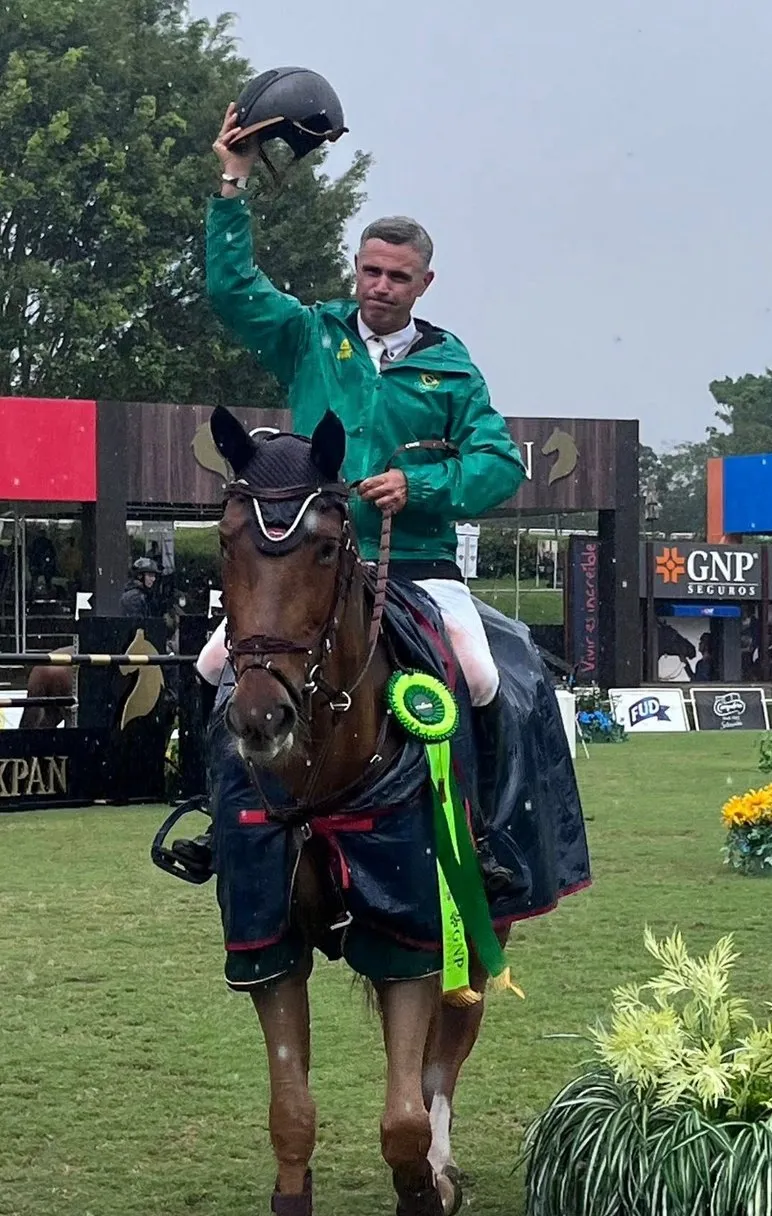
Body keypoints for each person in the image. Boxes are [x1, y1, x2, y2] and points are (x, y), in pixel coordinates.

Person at [172, 104, 526, 885]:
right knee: (208, 663)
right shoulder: (310, 333)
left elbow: (500, 466)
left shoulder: (451, 367)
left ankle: (488, 837)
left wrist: (418, 484)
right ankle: (212, 816)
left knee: (479, 674)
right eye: (370, 271)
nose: (380, 287)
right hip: (309, 565)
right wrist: (232, 182)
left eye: (398, 277)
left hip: (418, 566)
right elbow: (232, 291)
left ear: (424, 283)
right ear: (355, 269)